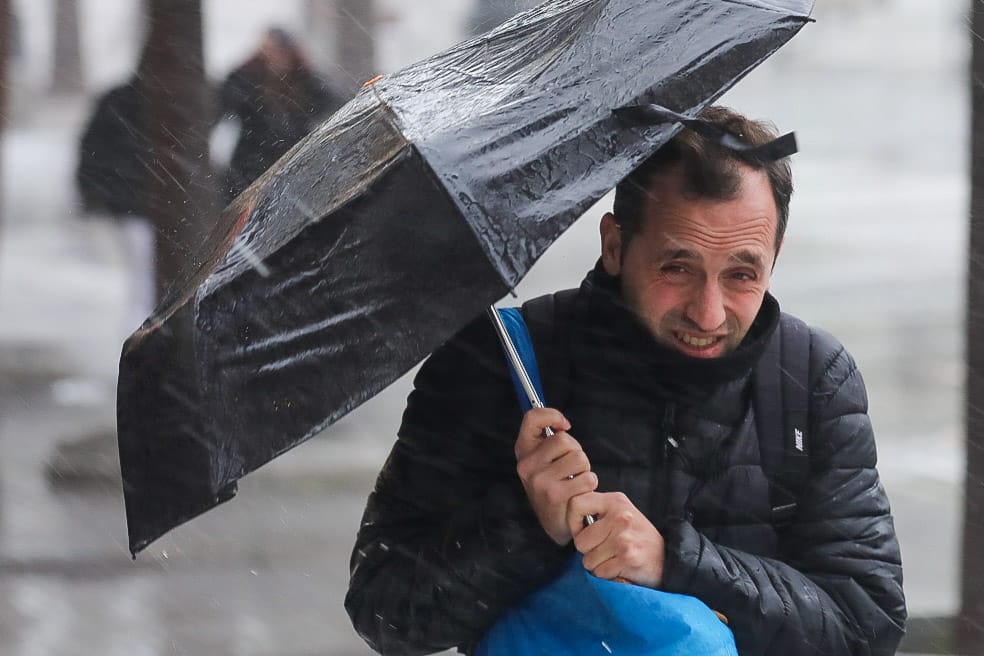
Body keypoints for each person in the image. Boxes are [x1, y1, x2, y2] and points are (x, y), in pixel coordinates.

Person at [344, 106, 906, 655]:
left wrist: (679, 562)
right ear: (614, 245)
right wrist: (526, 522)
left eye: (742, 274)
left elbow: (866, 625)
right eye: (676, 268)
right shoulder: (499, 361)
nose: (709, 314)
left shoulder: (810, 378)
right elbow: (385, 611)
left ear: (775, 254)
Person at [217, 27, 346, 201]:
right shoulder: (249, 80)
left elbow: (336, 103)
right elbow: (224, 100)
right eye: (271, 52)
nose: (277, 58)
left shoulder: (306, 83)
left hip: (295, 168)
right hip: (249, 171)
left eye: (281, 52)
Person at [75, 77, 156, 341]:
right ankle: (139, 332)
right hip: (135, 202)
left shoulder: (120, 101)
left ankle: (140, 330)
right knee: (145, 274)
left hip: (135, 200)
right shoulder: (125, 103)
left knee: (145, 275)